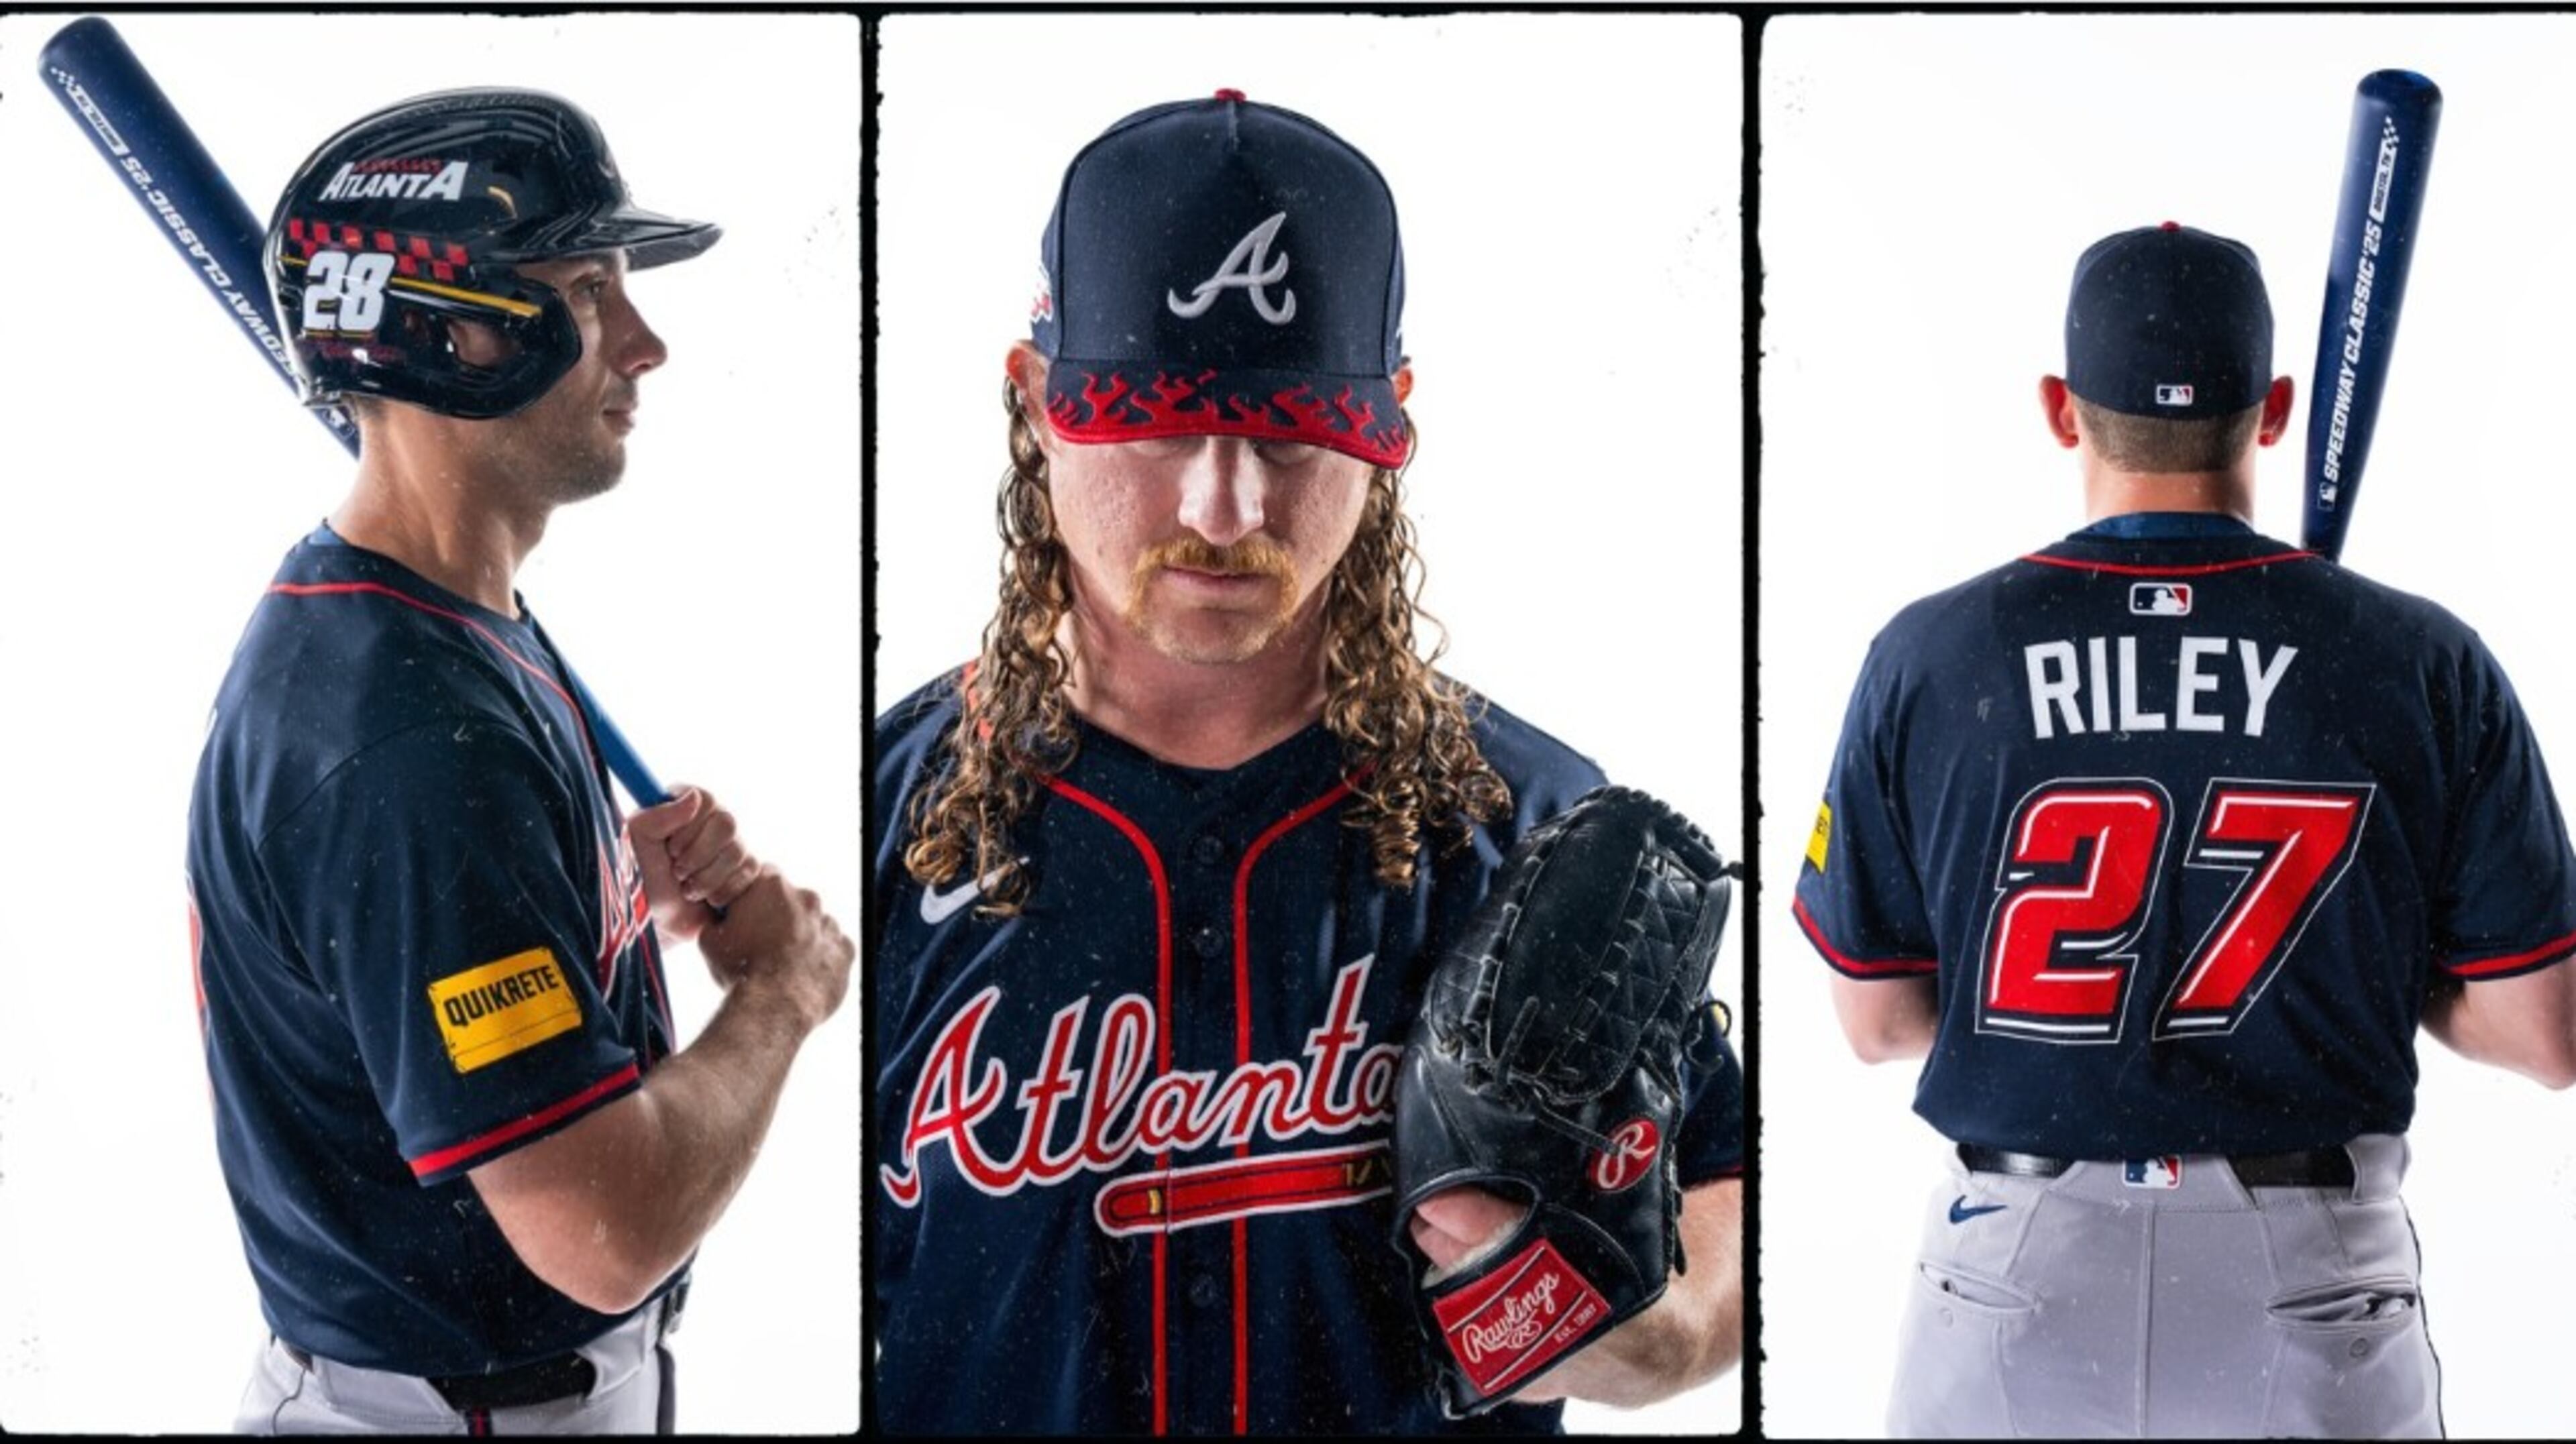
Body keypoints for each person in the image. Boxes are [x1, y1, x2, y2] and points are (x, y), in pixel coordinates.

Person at [869, 90, 1744, 1433]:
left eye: (1291, 430)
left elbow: (1730, 1197)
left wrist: (1656, 1337)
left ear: (1388, 422)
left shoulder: (1537, 828)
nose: (1225, 508)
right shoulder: (875, 820)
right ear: (1037, 404)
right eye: (1155, 419)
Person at [1792, 221, 2576, 1439]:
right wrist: (2359, 951)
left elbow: (1880, 1018)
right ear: (2271, 409)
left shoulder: (1932, 654)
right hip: (2312, 1280)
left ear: (2062, 408)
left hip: (2011, 1273)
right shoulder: (2418, 658)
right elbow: (2545, 1032)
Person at [187, 89, 853, 1435]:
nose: (646, 344)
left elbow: (400, 968)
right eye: (592, 290)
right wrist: (780, 995)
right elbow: (600, 1233)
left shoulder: (426, 619)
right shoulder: (414, 745)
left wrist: (605, 899)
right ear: (450, 333)